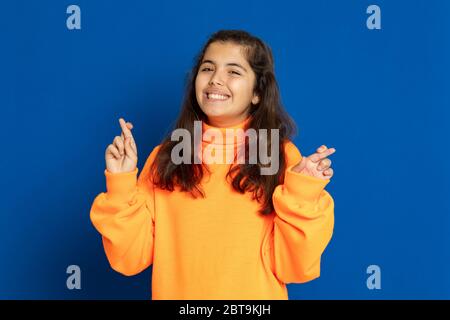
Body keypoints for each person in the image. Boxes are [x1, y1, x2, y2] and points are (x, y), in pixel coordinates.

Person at [90, 29, 336, 300]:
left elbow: (293, 267)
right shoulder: (167, 158)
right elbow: (129, 258)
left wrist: (302, 193)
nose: (216, 80)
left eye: (233, 72)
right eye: (208, 68)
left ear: (257, 92)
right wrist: (121, 181)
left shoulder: (278, 156)